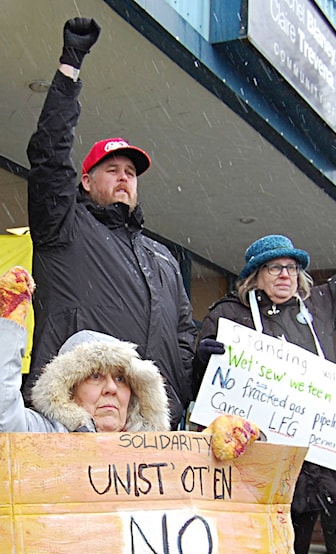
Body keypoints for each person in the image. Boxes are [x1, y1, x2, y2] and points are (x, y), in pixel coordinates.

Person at [193, 178, 336, 554]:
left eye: (292, 268)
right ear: (255, 275)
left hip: (306, 470)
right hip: (250, 464)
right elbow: (201, 388)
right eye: (275, 267)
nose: (285, 275)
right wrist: (201, 362)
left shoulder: (319, 308)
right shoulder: (228, 317)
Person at [25, 17, 195, 428]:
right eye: (112, 169)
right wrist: (70, 68)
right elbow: (49, 156)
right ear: (85, 182)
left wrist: (196, 372)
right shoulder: (63, 226)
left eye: (131, 173)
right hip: (74, 423)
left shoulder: (163, 259)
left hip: (146, 429)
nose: (124, 177)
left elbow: (183, 337)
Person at [0, 266, 169, 434]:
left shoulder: (151, 456)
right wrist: (9, 322)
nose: (111, 388)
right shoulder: (44, 436)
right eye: (96, 376)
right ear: (67, 391)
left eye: (121, 379)